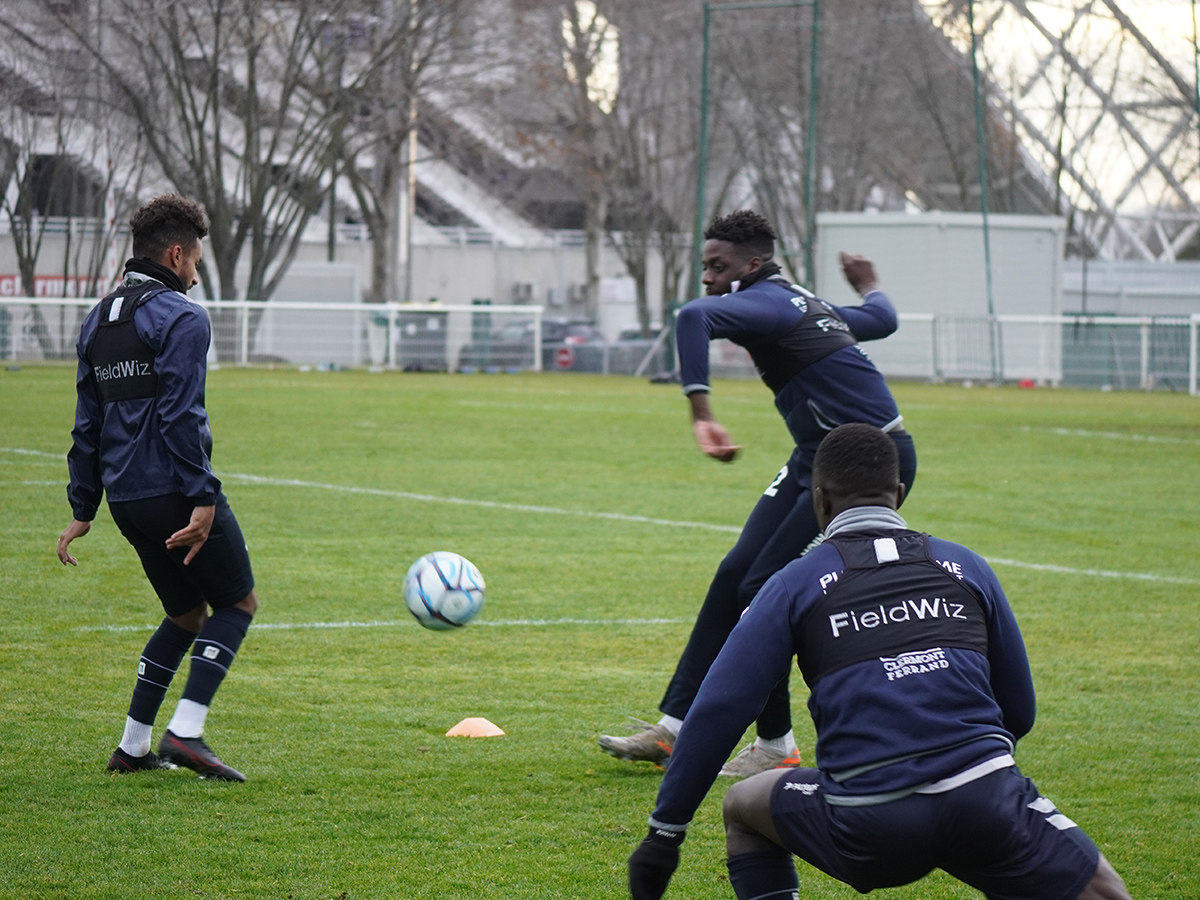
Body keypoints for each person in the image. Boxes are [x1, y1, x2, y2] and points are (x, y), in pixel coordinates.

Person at [626, 423, 1132, 900]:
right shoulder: (966, 565)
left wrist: (664, 834)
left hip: (869, 821)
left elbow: (719, 709)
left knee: (743, 803)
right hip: (989, 801)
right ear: (901, 492)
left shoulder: (791, 584)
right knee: (1106, 891)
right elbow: (1019, 710)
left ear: (820, 502)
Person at [600, 210, 916, 776]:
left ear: (753, 263)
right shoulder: (800, 305)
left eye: (717, 266)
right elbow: (881, 319)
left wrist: (701, 411)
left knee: (758, 589)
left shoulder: (771, 303)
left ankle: (775, 746)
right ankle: (673, 728)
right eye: (704, 266)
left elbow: (693, 316)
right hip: (816, 457)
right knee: (734, 575)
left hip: (867, 466)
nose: (707, 278)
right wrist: (868, 283)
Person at [57, 193, 256, 782]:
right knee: (237, 604)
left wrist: (83, 506)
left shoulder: (98, 319)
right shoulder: (181, 316)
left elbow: (86, 421)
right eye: (195, 261)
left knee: (186, 612)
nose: (195, 273)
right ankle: (187, 733)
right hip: (174, 489)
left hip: (126, 499)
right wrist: (201, 498)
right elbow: (180, 414)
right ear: (176, 254)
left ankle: (133, 747)